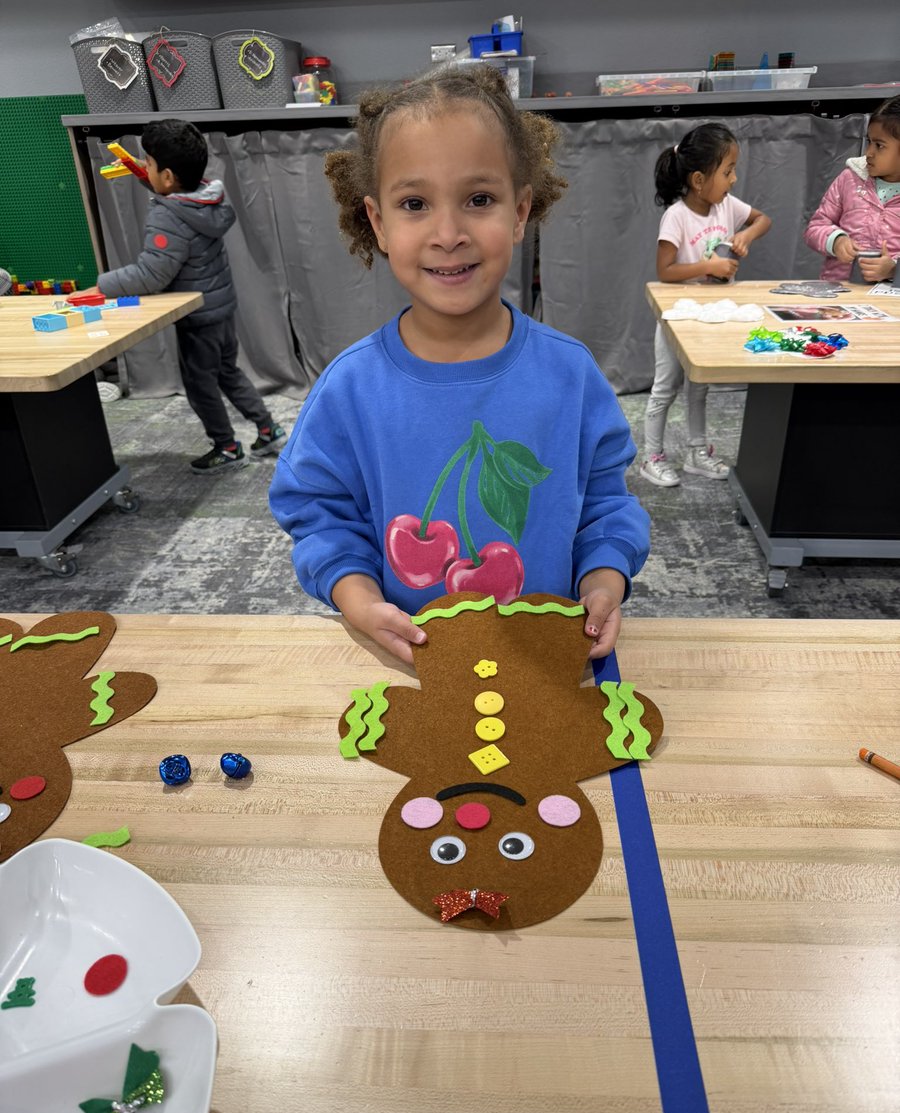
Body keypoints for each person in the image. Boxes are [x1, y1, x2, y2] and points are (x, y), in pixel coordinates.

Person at [270, 66, 650, 665]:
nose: (449, 233)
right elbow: (320, 516)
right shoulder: (350, 389)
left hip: (548, 663)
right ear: (379, 224)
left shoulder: (570, 378)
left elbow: (605, 504)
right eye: (415, 204)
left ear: (520, 211)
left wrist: (604, 579)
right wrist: (358, 599)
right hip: (410, 666)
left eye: (479, 200)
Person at [71, 119, 286, 474]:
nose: (147, 169)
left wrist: (102, 286)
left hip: (197, 316)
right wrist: (143, 175)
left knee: (200, 385)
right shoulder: (205, 195)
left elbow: (152, 273)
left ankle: (226, 446)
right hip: (220, 307)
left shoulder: (168, 216)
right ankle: (269, 430)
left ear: (168, 177)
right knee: (228, 372)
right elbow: (175, 203)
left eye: (150, 164)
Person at [641, 123, 771, 487]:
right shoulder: (677, 217)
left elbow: (763, 219)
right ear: (699, 180)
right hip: (677, 316)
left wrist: (744, 234)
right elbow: (665, 271)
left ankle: (696, 451)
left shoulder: (727, 206)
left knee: (699, 386)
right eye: (727, 171)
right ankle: (652, 456)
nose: (733, 179)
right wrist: (709, 266)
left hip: (709, 317)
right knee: (665, 388)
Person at [804, 96, 900, 286]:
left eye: (879, 145)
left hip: (891, 300)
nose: (869, 153)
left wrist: (893, 269)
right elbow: (815, 227)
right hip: (840, 293)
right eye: (869, 141)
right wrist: (836, 240)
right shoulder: (849, 180)